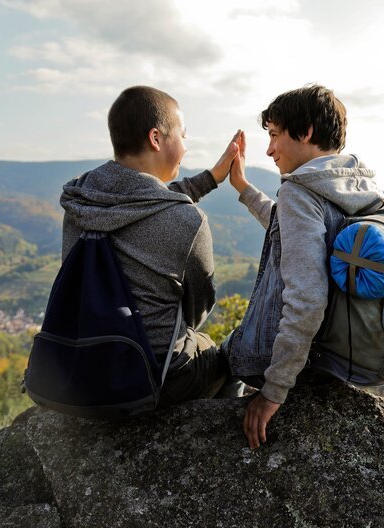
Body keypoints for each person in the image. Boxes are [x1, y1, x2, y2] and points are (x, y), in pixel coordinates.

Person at [223, 84, 384, 449]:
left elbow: (308, 299)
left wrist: (272, 392)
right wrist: (244, 188)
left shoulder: (299, 191)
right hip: (336, 353)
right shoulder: (354, 187)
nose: (269, 150)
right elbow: (294, 233)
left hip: (281, 360)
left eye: (275, 135)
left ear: (307, 131)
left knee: (210, 361)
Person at [59, 85, 241, 407]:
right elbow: (197, 310)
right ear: (157, 139)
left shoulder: (81, 200)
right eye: (183, 136)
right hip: (152, 377)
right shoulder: (188, 222)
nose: (186, 147)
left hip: (84, 367)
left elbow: (142, 199)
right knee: (229, 355)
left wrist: (211, 178)